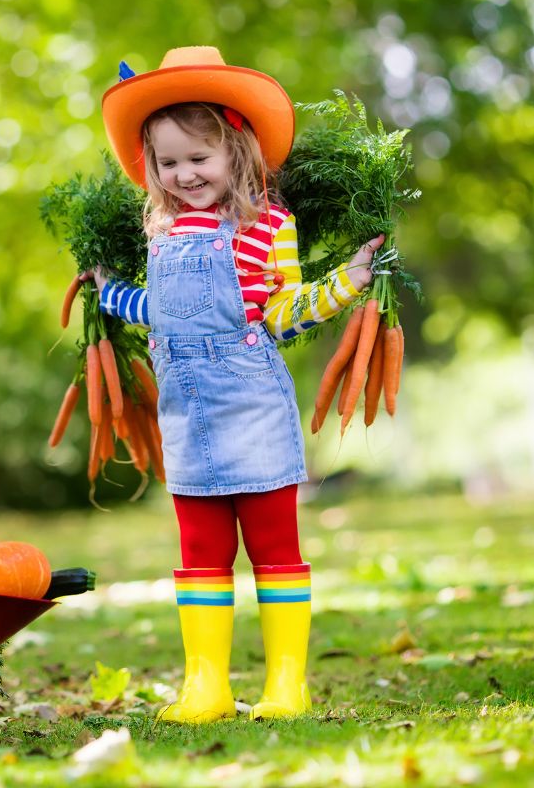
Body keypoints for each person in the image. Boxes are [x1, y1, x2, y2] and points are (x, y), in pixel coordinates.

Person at [91, 47, 383, 723]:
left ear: (235, 152)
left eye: (199, 158)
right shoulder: (158, 233)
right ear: (152, 168)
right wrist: (109, 290)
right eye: (168, 162)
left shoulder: (267, 229)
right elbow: (156, 313)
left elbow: (282, 311)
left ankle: (286, 684)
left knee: (274, 547)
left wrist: (346, 283)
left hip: (250, 405)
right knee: (201, 552)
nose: (184, 174)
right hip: (188, 416)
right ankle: (207, 684)